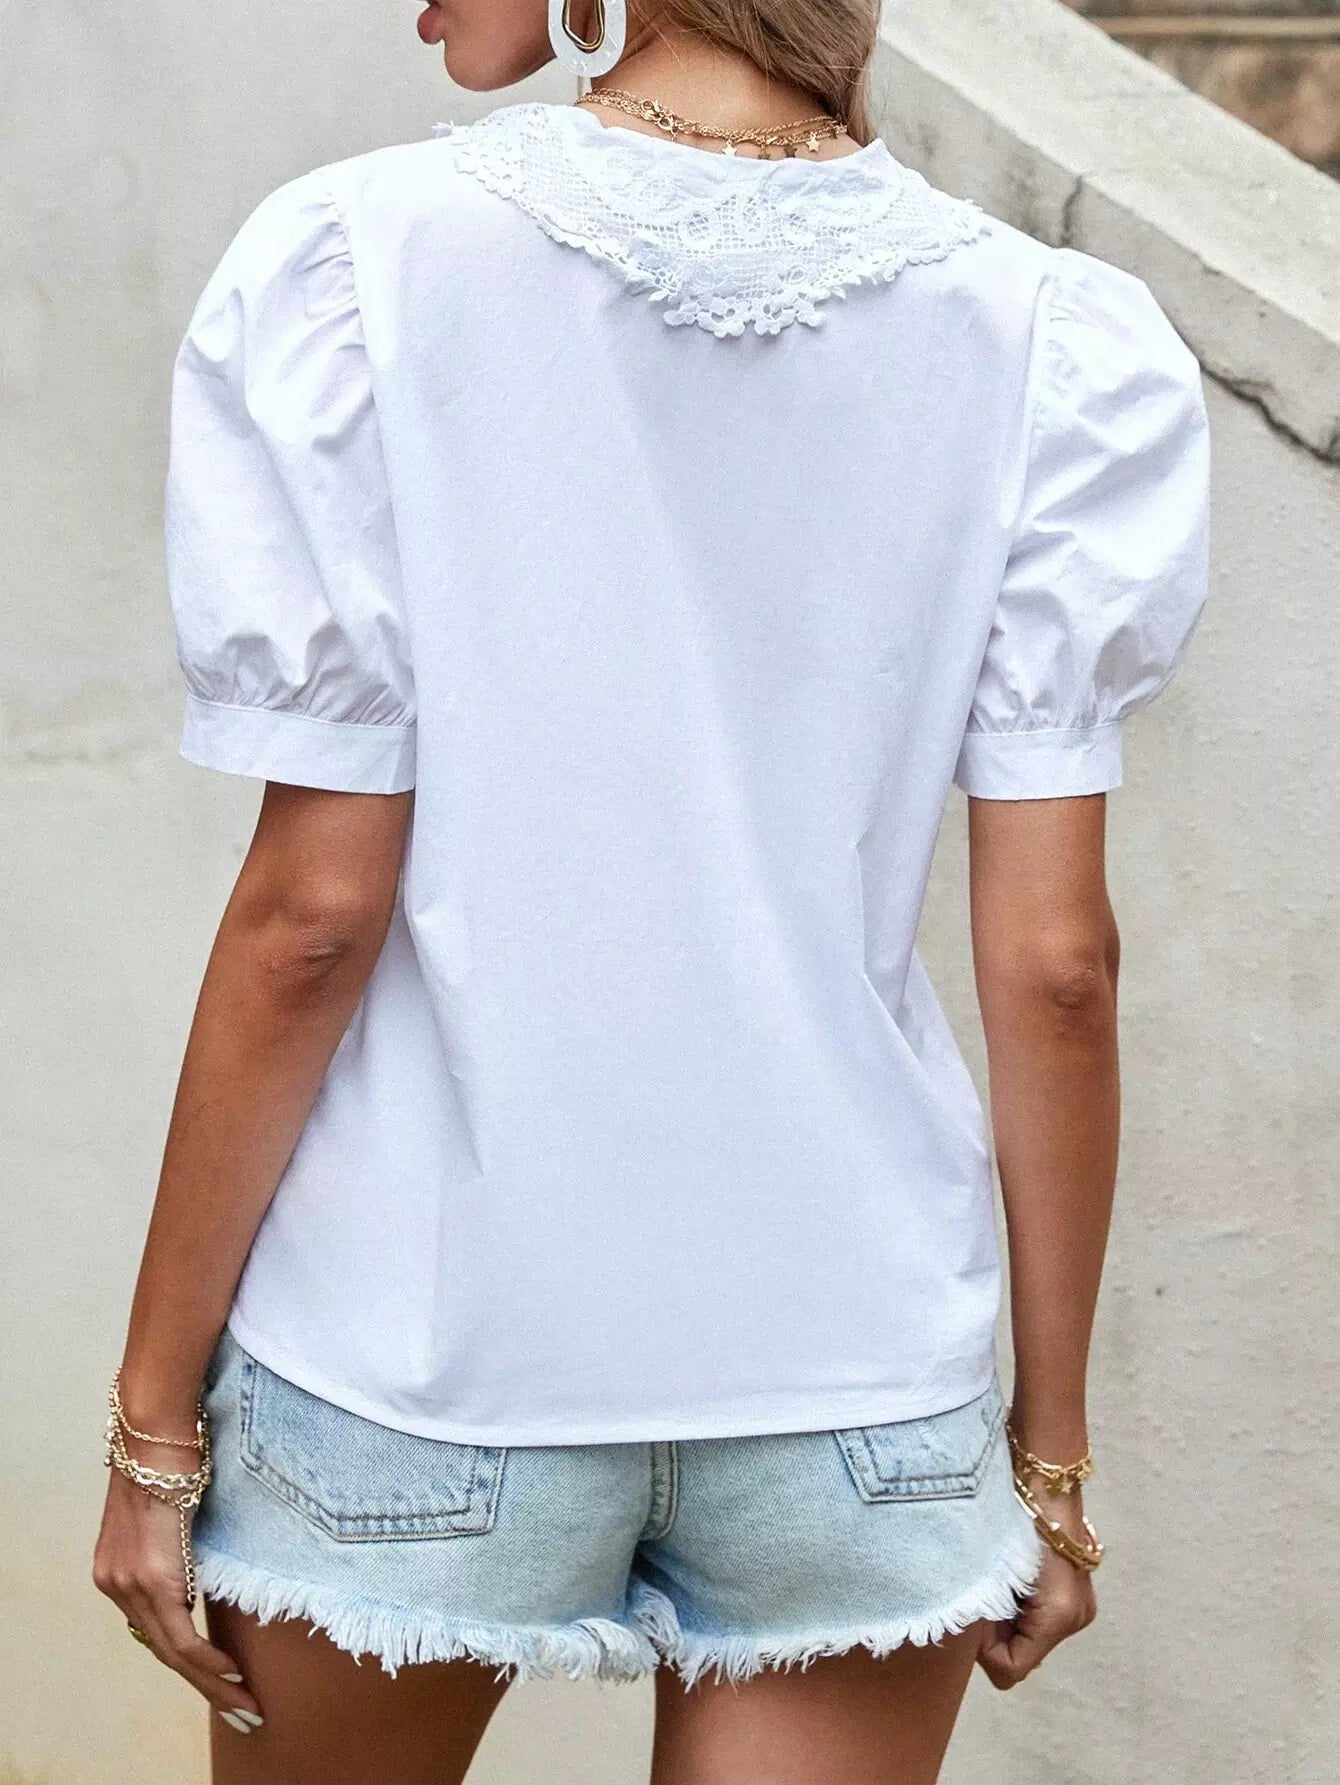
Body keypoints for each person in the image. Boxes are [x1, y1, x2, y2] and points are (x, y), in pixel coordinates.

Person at [93, 2, 1211, 1781]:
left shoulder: (355, 268)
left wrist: (154, 1420)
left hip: (422, 1348)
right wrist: (1048, 1455)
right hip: (859, 1382)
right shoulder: (1047, 338)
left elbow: (314, 913)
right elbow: (1057, 961)